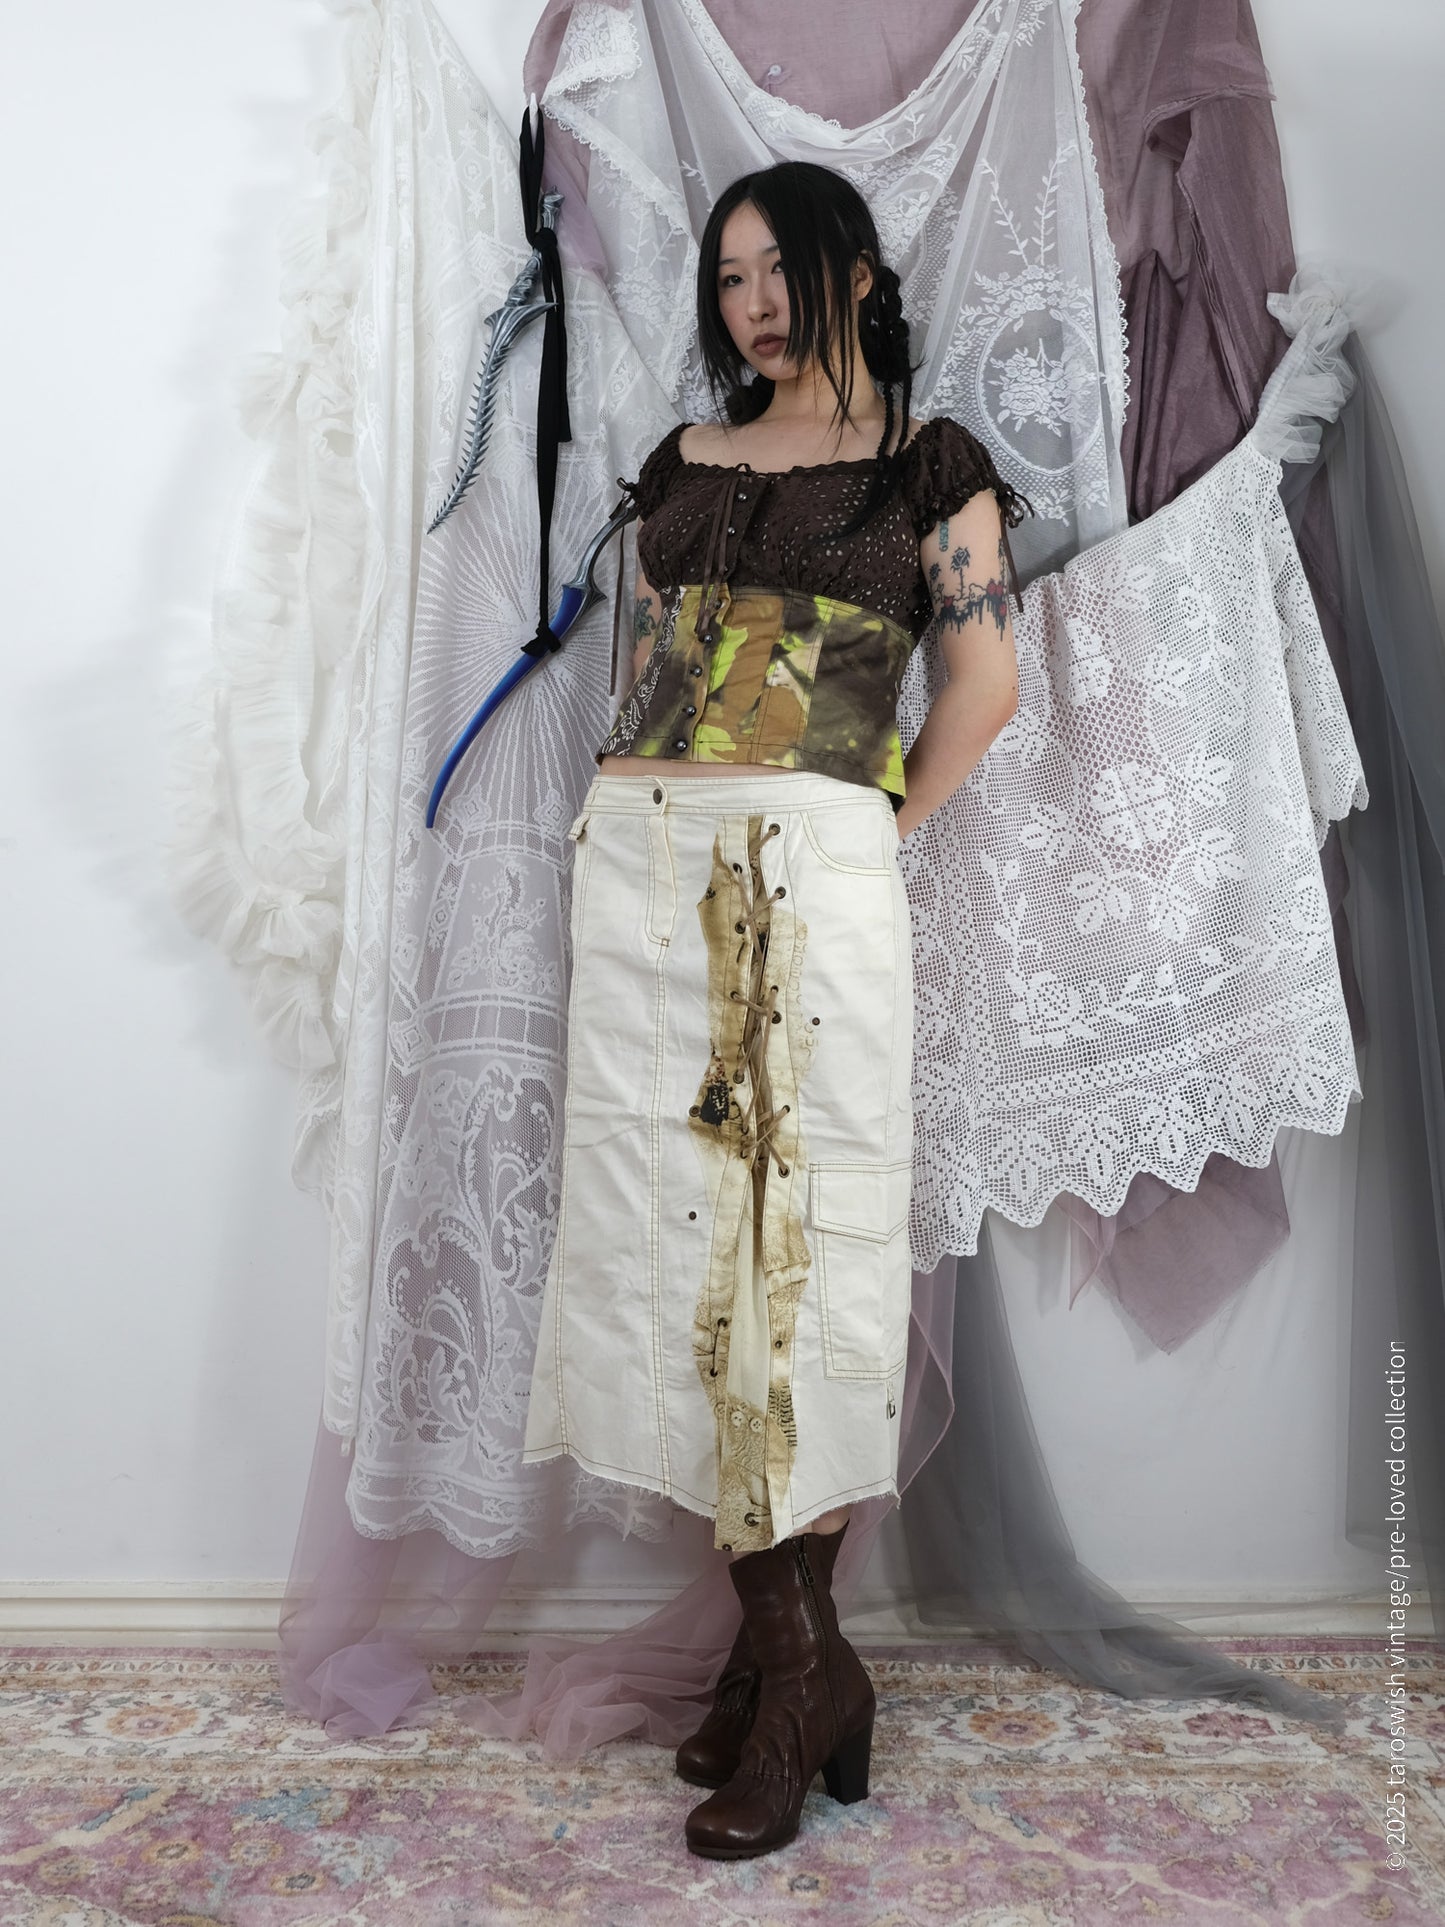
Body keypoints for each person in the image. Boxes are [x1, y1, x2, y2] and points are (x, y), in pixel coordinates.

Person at [520, 160, 1027, 1859]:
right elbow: (645, 665)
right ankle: (786, 1661)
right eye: (726, 277)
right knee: (668, 1248)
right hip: (642, 875)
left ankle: (801, 1676)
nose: (748, 303)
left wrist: (865, 829)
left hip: (807, 875)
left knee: (783, 1251)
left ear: (858, 274)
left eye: (777, 270)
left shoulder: (929, 466)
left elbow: (981, 683)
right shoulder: (682, 461)